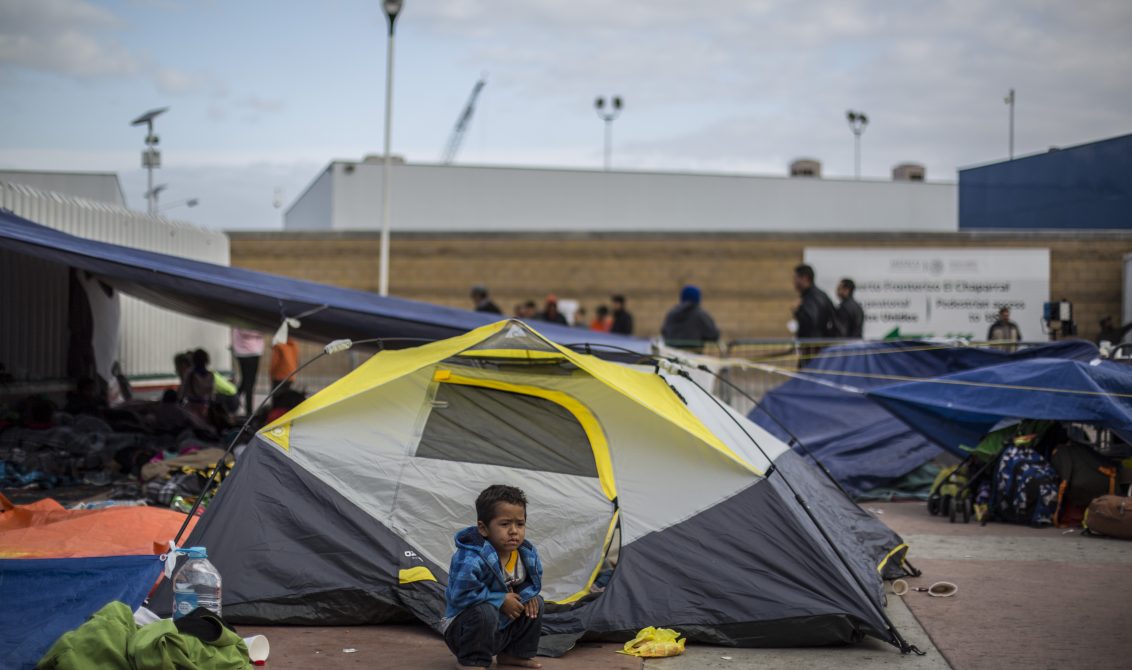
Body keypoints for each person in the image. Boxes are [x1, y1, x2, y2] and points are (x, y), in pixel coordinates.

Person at [444, 485, 543, 669]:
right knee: (485, 611)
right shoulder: (471, 557)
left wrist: (527, 596)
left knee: (536, 602)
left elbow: (531, 583)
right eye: (505, 524)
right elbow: (461, 595)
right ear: (483, 528)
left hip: (500, 627)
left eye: (520, 524)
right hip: (464, 630)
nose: (514, 531)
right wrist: (500, 600)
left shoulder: (525, 553)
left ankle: (513, 654)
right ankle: (472, 661)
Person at [660, 285, 720, 351]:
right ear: (697, 298)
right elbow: (713, 335)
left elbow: (664, 332)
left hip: (671, 351)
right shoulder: (701, 315)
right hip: (695, 354)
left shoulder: (671, 314)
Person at [792, 264, 837, 339]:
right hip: (816, 343)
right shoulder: (816, 295)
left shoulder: (812, 297)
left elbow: (811, 323)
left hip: (814, 345)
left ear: (805, 278)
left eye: (796, 278)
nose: (794, 282)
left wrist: (797, 311)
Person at [232, 328, 264, 416]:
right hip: (246, 352)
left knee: (247, 382)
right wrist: (261, 331)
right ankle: (249, 412)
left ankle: (232, 401)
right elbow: (245, 331)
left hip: (252, 352)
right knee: (248, 383)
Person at [179, 348, 215, 419]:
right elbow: (211, 396)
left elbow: (183, 392)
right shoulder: (210, 375)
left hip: (191, 408)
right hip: (205, 408)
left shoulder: (190, 374)